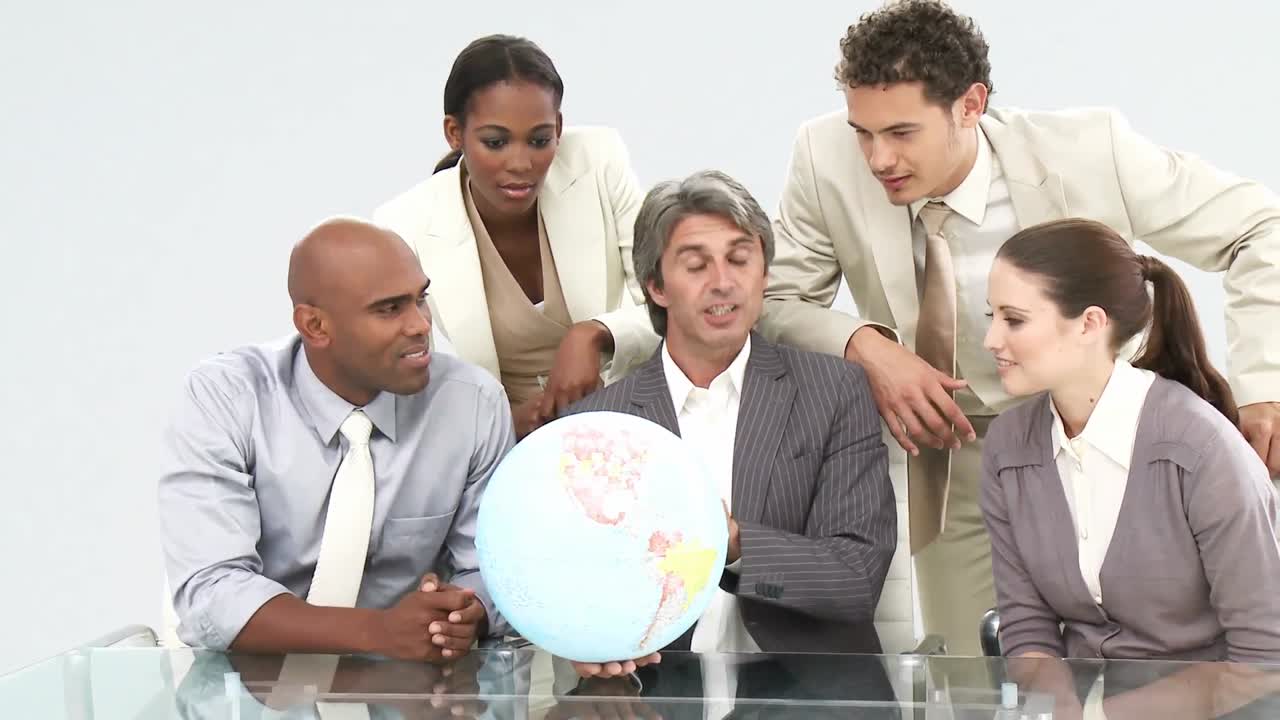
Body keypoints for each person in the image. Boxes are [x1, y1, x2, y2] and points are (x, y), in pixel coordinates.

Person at [759, 0, 1280, 653]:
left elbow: (1259, 228)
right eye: (863, 132)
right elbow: (773, 298)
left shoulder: (1090, 150)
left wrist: (1265, 384)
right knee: (975, 680)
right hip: (957, 452)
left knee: (1155, 662)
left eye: (901, 132)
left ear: (971, 104)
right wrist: (866, 347)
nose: (877, 157)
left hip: (1115, 443)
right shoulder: (824, 154)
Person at [565, 170, 897, 681]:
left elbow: (856, 577)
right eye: (696, 265)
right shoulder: (597, 424)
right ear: (656, 286)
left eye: (740, 259)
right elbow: (577, 589)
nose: (723, 281)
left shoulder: (834, 391)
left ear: (765, 271)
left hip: (811, 698)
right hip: (655, 694)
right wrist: (581, 635)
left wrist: (737, 545)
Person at [158, 218, 513, 660]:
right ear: (315, 326)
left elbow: (494, 570)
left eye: (420, 298)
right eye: (389, 309)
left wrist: (463, 613)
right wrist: (378, 632)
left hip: (405, 688)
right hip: (243, 681)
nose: (421, 325)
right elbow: (212, 591)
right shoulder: (227, 397)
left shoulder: (472, 403)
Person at [981, 218, 1280, 662]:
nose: (991, 340)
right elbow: (1027, 628)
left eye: (1014, 320)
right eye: (992, 316)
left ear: (1089, 324)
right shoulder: (1008, 446)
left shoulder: (1202, 450)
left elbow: (1264, 653)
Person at [374, 34, 658, 438]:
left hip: (629, 418)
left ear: (559, 128)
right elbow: (406, 377)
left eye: (540, 140)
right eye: (496, 142)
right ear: (455, 133)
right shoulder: (404, 223)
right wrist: (500, 424)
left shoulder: (599, 160)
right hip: (496, 446)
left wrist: (595, 334)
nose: (521, 163)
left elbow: (669, 304)